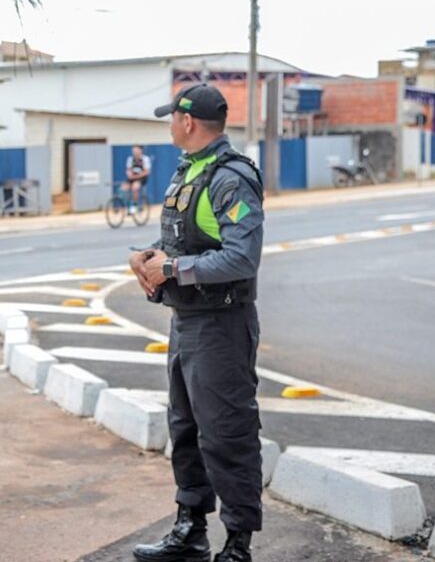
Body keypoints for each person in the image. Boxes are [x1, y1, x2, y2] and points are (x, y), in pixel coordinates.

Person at [128, 84, 265, 562]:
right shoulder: (192, 171)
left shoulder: (230, 178)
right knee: (185, 429)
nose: (169, 125)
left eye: (172, 118)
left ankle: (238, 544)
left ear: (188, 122)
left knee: (227, 433)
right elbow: (187, 241)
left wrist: (170, 269)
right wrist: (147, 257)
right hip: (186, 322)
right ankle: (191, 531)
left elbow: (242, 258)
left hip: (221, 326)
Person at [126, 145, 152, 210]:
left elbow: (147, 171)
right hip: (132, 177)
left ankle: (135, 205)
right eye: (133, 150)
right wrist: (129, 174)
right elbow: (128, 169)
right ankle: (127, 205)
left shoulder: (145, 159)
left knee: (135, 187)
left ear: (141, 151)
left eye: (136, 150)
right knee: (122, 189)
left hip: (141, 178)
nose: (134, 152)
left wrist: (136, 176)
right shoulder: (130, 159)